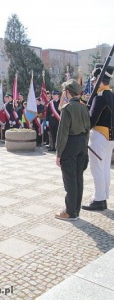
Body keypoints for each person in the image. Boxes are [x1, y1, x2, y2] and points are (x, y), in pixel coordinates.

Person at [55, 79, 90, 221]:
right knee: (78, 178)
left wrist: (59, 153)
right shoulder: (84, 107)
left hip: (70, 144)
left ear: (68, 92)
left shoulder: (67, 108)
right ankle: (76, 209)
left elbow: (62, 133)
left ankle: (70, 212)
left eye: (65, 91)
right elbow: (88, 128)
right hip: (82, 143)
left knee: (70, 179)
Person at [82, 64, 114, 211]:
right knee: (105, 168)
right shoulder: (111, 95)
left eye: (95, 80)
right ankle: (103, 197)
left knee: (97, 169)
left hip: (99, 137)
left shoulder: (100, 97)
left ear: (100, 81)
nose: (93, 83)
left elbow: (91, 121)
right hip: (109, 138)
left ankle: (99, 199)